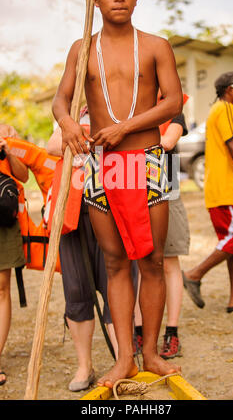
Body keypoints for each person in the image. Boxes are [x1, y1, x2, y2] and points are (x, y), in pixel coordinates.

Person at [52, 0, 183, 387]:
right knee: (114, 263)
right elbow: (61, 99)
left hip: (145, 160)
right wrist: (70, 124)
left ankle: (150, 353)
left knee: (152, 260)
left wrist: (126, 126)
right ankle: (124, 357)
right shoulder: (81, 49)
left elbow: (173, 104)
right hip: (102, 166)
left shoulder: (155, 45)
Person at [46, 107, 118, 392]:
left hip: (111, 206)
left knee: (116, 285)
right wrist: (80, 132)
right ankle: (84, 366)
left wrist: (84, 138)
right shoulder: (71, 109)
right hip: (73, 210)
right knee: (76, 291)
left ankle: (122, 359)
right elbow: (52, 145)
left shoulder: (115, 104)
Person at [182, 71, 233, 313]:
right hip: (227, 188)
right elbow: (232, 142)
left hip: (225, 189)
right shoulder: (226, 109)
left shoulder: (220, 110)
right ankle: (194, 274)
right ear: (229, 90)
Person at [133, 113, 190, 360]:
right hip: (132, 188)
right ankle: (138, 331)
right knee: (135, 263)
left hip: (167, 188)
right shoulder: (129, 107)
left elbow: (167, 142)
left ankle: (171, 331)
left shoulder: (172, 112)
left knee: (169, 262)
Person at [0, 131, 28, 386]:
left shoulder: (5, 134)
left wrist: (7, 150)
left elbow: (24, 176)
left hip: (3, 221)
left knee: (1, 289)